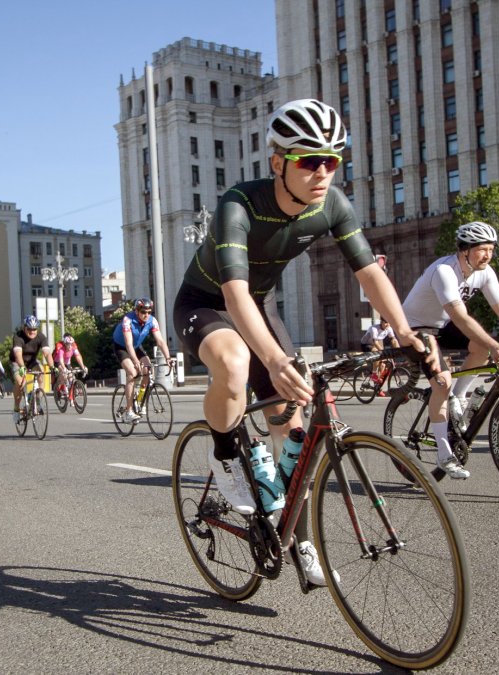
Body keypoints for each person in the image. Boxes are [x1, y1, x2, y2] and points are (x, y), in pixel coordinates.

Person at [171, 98, 435, 587]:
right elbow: (233, 291)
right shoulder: (240, 203)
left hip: (260, 306)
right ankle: (225, 453)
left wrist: (405, 333)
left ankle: (296, 531)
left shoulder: (332, 204)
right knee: (233, 361)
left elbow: (369, 273)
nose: (322, 172)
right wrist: (272, 360)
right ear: (278, 163)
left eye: (332, 161)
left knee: (293, 423)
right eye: (309, 160)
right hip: (205, 304)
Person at [402, 221, 499, 479]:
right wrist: (495, 344)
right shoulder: (444, 271)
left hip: (443, 324)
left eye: (491, 249)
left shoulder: (485, 272)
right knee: (442, 381)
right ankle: (443, 454)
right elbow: (461, 317)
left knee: (480, 348)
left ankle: (458, 399)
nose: (488, 255)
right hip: (415, 327)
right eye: (482, 249)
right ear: (464, 250)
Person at [113, 298, 174, 423]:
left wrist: (168, 358)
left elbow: (161, 341)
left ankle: (140, 401)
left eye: (149, 312)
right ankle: (129, 411)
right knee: (133, 373)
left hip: (136, 346)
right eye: (143, 312)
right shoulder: (127, 320)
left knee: (149, 369)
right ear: (137, 311)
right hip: (122, 346)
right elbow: (128, 344)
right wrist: (135, 361)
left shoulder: (152, 321)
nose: (146, 315)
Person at [10, 315, 56, 421]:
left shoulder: (41, 337)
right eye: (29, 329)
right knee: (20, 383)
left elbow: (47, 353)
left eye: (34, 329)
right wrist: (22, 367)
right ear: (24, 328)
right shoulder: (18, 336)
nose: (32, 332)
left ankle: (38, 400)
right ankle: (16, 409)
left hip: (31, 361)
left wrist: (53, 367)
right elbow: (17, 354)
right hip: (18, 361)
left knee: (41, 375)